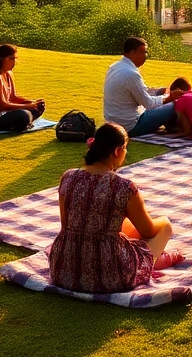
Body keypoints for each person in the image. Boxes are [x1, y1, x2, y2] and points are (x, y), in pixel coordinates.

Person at [49, 123, 184, 292]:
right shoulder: (124, 187)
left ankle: (150, 257)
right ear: (117, 151)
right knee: (165, 225)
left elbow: (66, 224)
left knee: (119, 225)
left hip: (63, 270)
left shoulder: (68, 177)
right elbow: (149, 231)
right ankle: (153, 261)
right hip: (112, 276)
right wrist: (160, 222)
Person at [103, 37, 181, 136]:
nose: (146, 56)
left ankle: (170, 125)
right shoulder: (131, 73)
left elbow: (139, 91)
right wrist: (169, 97)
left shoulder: (115, 67)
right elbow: (148, 103)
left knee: (162, 91)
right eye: (144, 52)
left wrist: (162, 92)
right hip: (130, 126)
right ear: (133, 53)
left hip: (113, 121)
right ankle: (175, 127)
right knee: (175, 104)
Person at [0, 44, 45, 131]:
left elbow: (13, 97)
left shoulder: (8, 73)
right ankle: (23, 123)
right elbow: (1, 106)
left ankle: (22, 123)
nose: (14, 62)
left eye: (15, 58)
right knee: (24, 114)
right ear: (1, 59)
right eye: (11, 58)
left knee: (37, 109)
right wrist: (27, 106)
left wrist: (33, 103)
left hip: (4, 114)